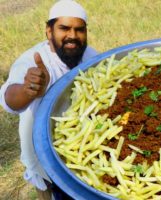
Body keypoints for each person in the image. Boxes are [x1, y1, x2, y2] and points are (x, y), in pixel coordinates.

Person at [0, 0, 98, 199]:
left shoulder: (90, 55)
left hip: (87, 151)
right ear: (48, 30)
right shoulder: (33, 60)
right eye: (64, 28)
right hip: (46, 156)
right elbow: (9, 99)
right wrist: (29, 91)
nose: (72, 36)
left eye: (79, 30)